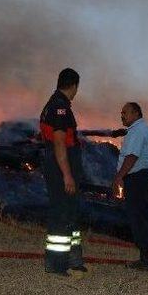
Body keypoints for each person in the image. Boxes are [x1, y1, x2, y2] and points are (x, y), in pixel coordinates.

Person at [39, 68, 86, 276]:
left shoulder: (55, 104)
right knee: (61, 212)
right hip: (60, 166)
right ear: (74, 85)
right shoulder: (60, 107)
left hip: (62, 164)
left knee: (71, 212)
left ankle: (73, 259)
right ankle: (56, 264)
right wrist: (67, 174)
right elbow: (59, 143)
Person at [111, 102, 148, 270]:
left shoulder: (137, 131)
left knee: (138, 219)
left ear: (136, 113)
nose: (122, 115)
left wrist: (119, 177)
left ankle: (146, 259)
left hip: (137, 179)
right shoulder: (145, 130)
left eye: (125, 112)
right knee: (145, 217)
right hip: (145, 178)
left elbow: (132, 156)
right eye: (121, 113)